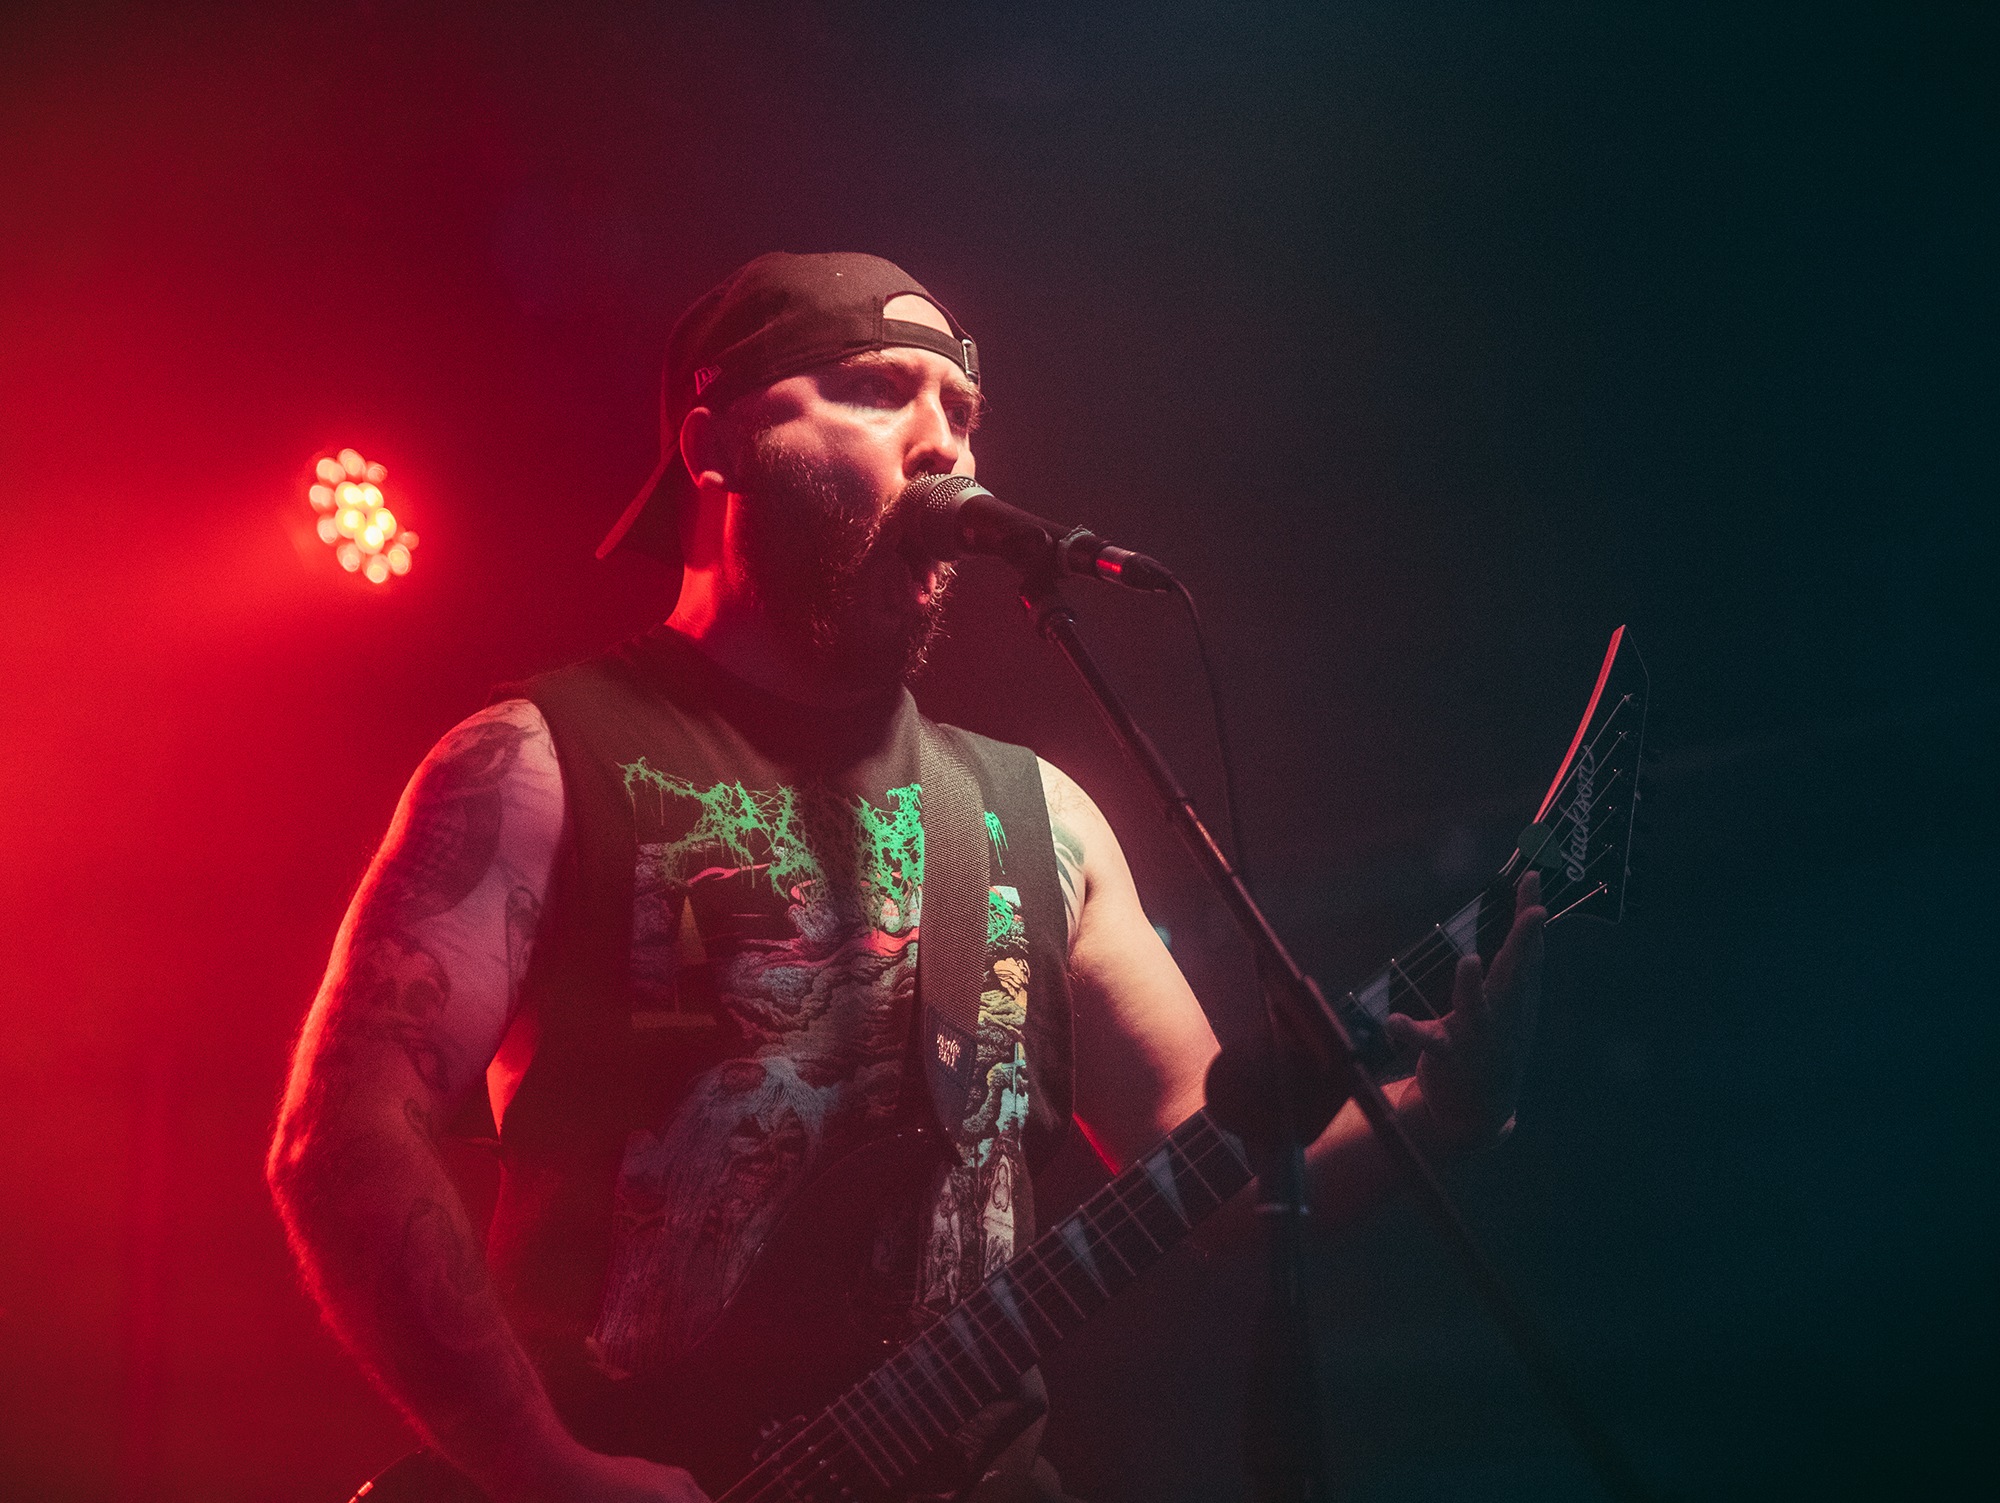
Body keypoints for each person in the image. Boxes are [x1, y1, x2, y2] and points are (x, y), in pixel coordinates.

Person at [267, 252, 1544, 1503]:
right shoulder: (542, 764)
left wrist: (1441, 1109)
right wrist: (542, 1471)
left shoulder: (1041, 820)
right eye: (877, 389)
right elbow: (341, 1143)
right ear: (713, 447)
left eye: (962, 410)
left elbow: (1226, 1181)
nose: (944, 444)